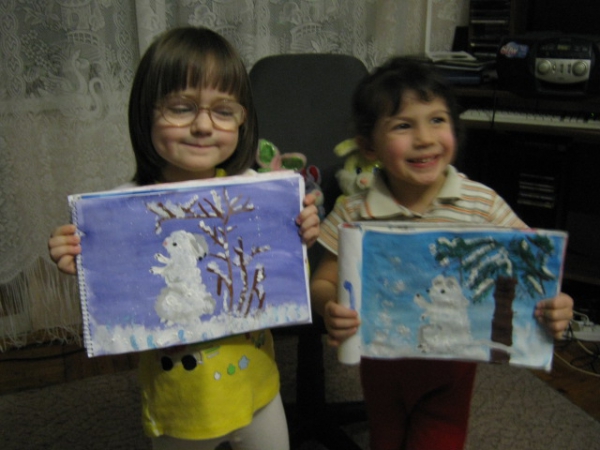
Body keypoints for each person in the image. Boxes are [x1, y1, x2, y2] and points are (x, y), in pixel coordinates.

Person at [48, 27, 320, 450]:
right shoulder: (122, 210)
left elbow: (280, 270)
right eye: (181, 108)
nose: (203, 125)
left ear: (243, 119)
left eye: (224, 111)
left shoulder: (256, 192)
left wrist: (301, 232)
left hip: (258, 388)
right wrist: (75, 255)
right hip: (180, 403)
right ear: (146, 114)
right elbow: (114, 286)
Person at [310, 57, 574, 450]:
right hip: (380, 365)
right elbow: (323, 281)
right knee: (386, 439)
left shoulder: (481, 204)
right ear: (368, 146)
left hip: (451, 369)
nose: (425, 138)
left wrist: (557, 304)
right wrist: (330, 305)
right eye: (403, 125)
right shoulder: (354, 210)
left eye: (437, 120)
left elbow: (534, 265)